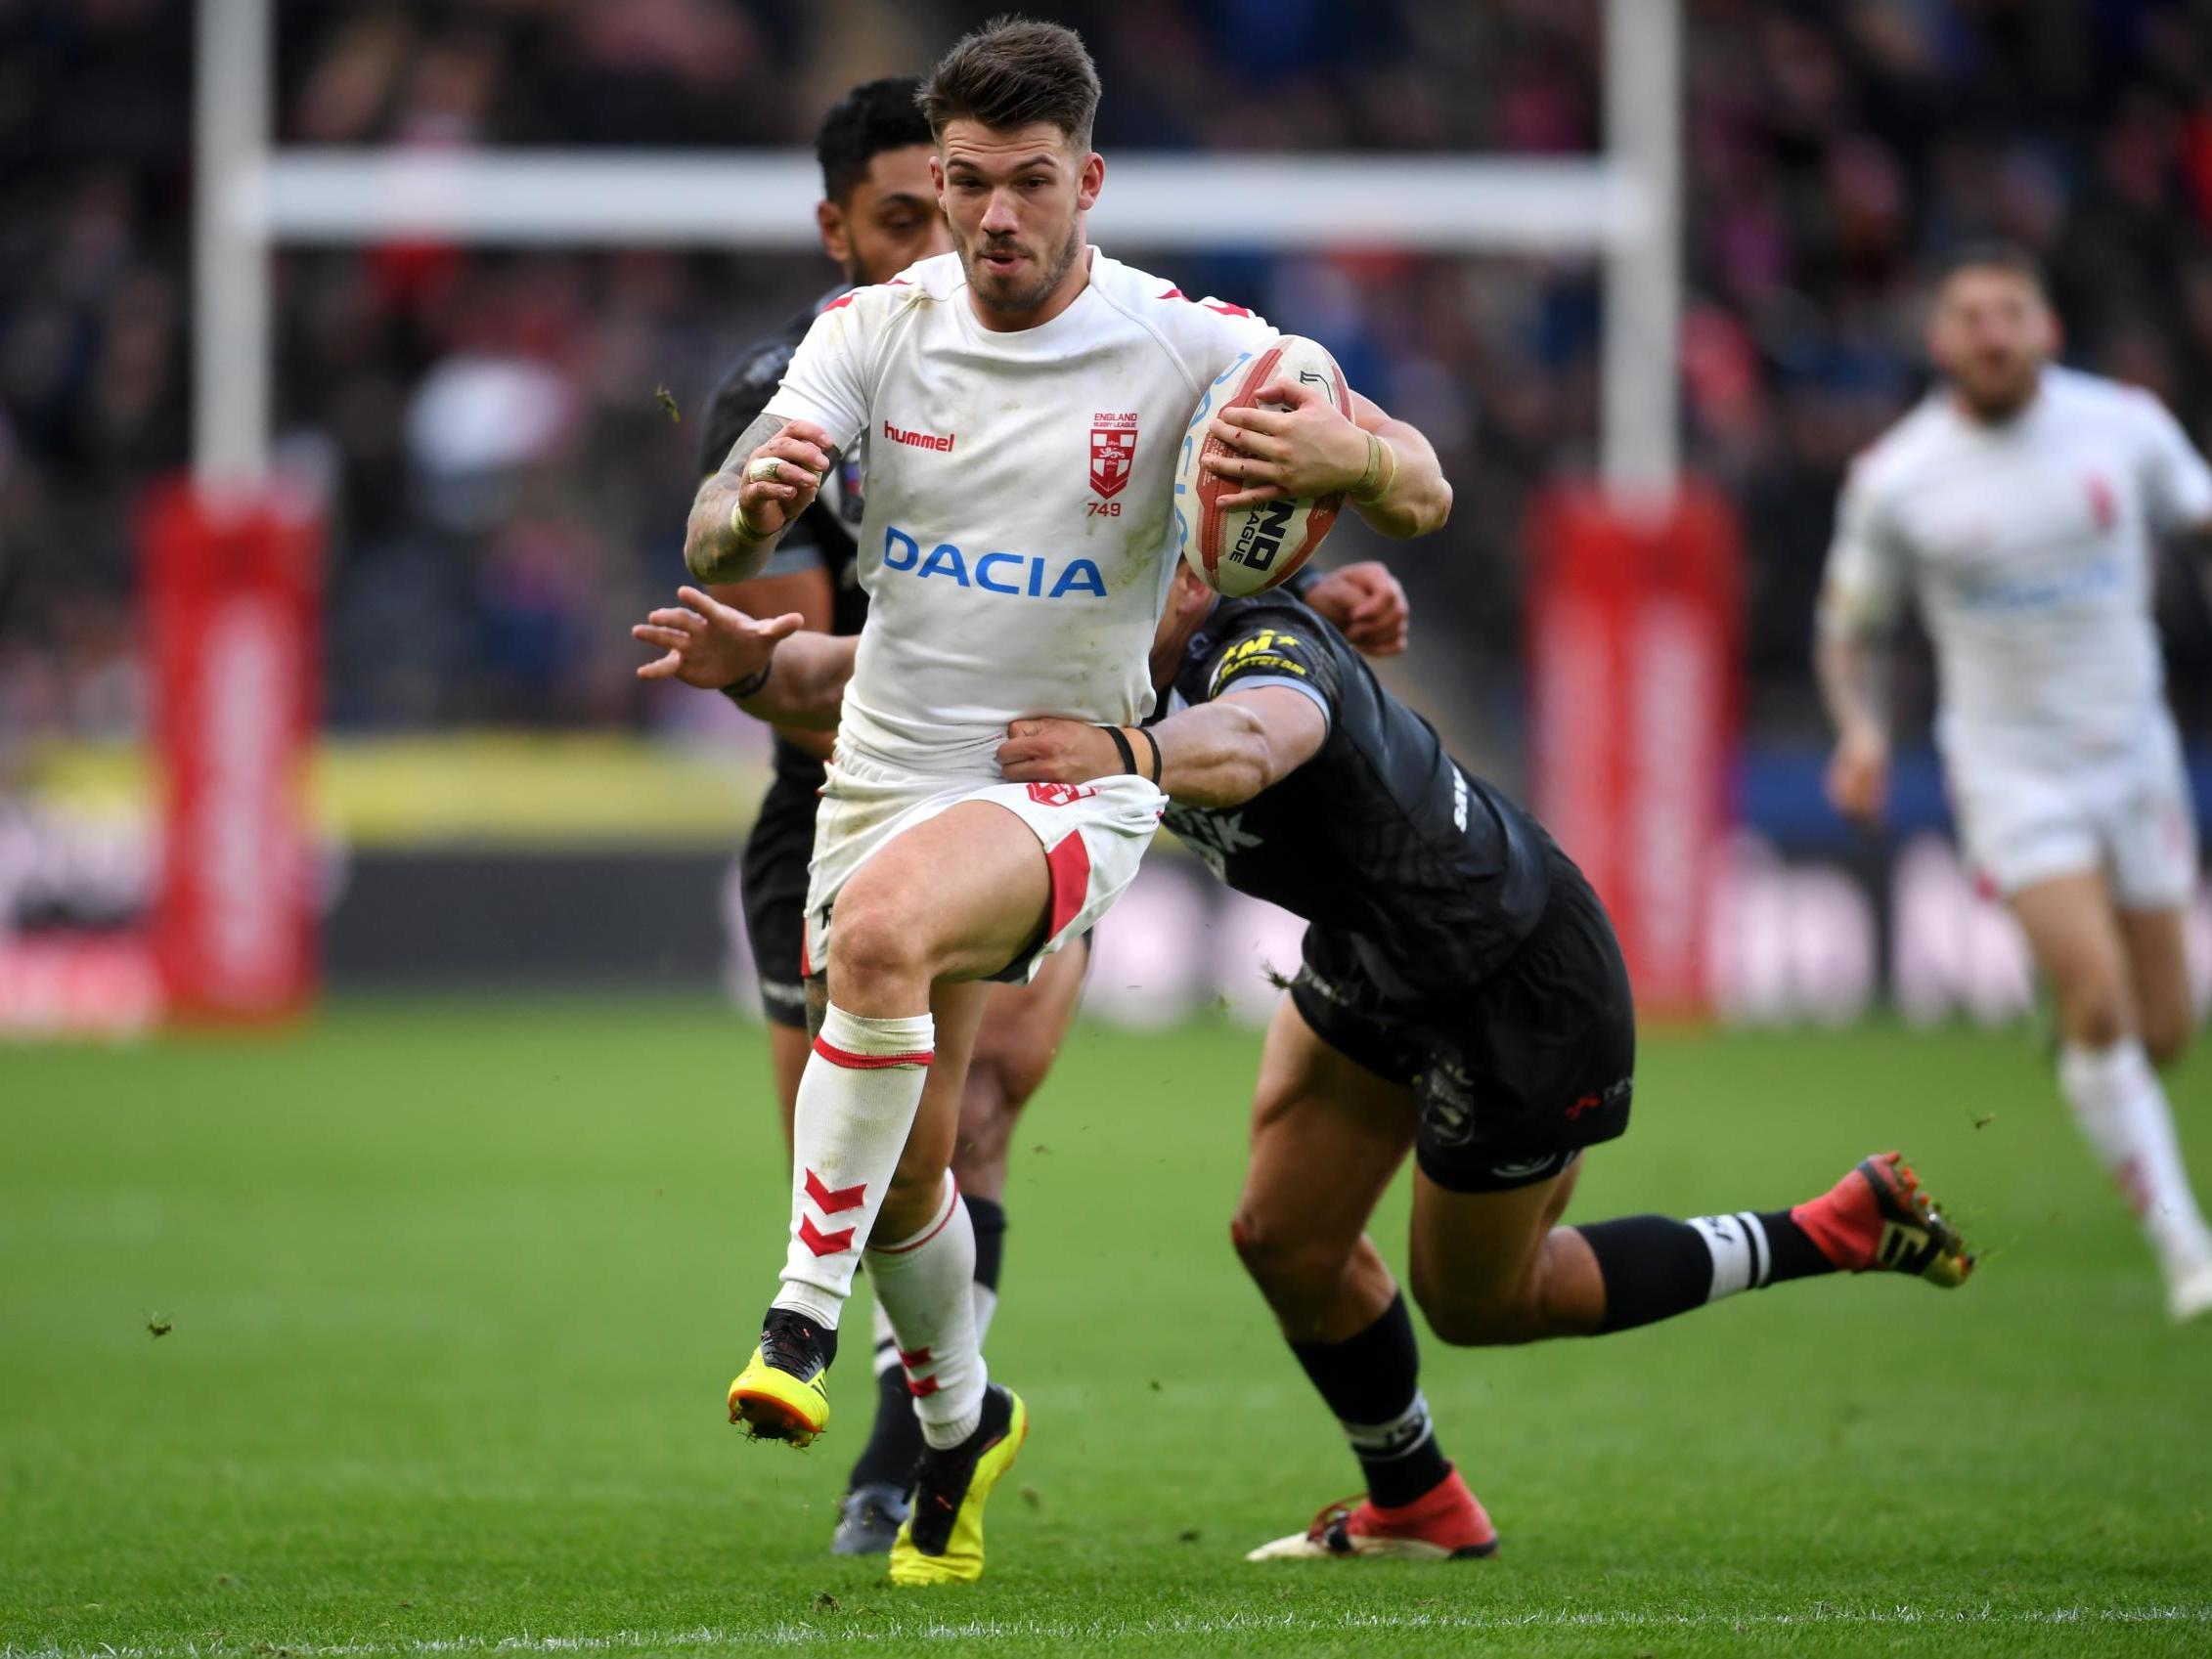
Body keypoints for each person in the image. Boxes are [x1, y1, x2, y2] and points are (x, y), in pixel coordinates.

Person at [635, 555, 1975, 1563]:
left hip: (1513, 973)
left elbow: (1251, 744)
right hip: (1371, 957)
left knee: (1486, 1298)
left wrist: (1126, 753)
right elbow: (872, 669)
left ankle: (1826, 1227)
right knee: (1279, 1237)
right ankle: (1418, 1504)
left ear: (1196, 566)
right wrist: (754, 667)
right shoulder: (1085, 642)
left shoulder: (1266, 644)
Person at [672, 18, 1451, 1586]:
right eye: (966, 185)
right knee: (917, 1167)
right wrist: (738, 508)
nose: (996, 219)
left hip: (1061, 776)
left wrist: (1354, 460)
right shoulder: (869, 329)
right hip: (881, 767)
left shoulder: (1186, 342)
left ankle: (794, 1320)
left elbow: (1423, 483)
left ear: (1086, 180)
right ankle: (964, 1415)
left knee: (886, 947)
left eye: (1031, 183)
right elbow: (708, 537)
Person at [1817, 243, 2212, 1325]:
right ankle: (2189, 1249)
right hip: (2010, 770)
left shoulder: (2125, 425)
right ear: (1941, 341)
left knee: (2162, 1028)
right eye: (1970, 317)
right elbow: (1852, 629)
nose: (1993, 333)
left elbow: (2200, 516)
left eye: (2011, 313)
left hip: (2135, 756)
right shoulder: (1899, 476)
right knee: (2098, 999)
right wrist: (1860, 734)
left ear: (2049, 328)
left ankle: (2088, 1041)